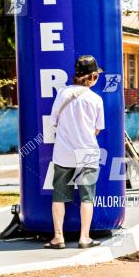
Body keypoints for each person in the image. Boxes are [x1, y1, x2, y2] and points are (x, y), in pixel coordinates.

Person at [46, 55, 105, 250]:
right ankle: (84, 237)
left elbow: (53, 121)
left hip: (63, 152)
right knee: (87, 197)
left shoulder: (62, 94)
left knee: (59, 196)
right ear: (93, 76)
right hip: (87, 152)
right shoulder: (96, 99)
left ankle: (58, 237)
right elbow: (97, 129)